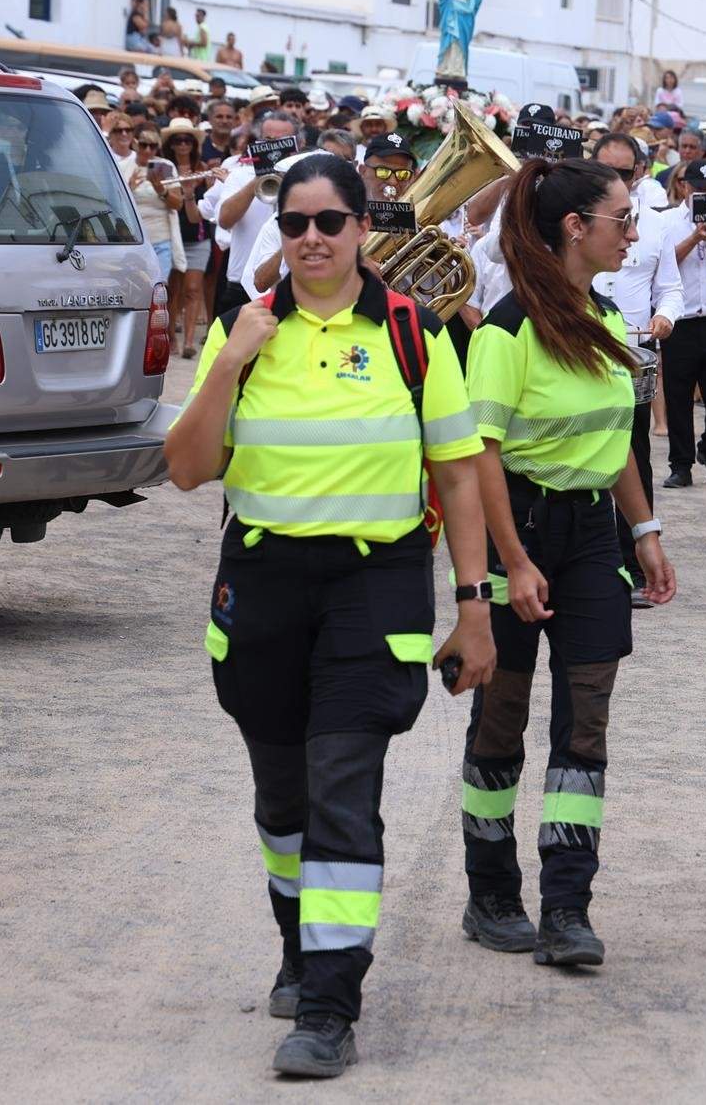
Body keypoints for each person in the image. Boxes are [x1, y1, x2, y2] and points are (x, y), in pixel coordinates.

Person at [164, 151, 494, 1079]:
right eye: (296, 223)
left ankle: (327, 1005)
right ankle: (298, 948)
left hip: (373, 585)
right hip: (263, 581)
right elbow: (187, 470)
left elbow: (458, 474)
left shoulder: (409, 332)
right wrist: (229, 359)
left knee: (344, 791)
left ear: (361, 230)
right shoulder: (243, 326)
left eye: (330, 222)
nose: (312, 238)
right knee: (284, 804)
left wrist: (474, 606)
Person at [458, 156, 678, 967]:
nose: (635, 233)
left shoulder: (609, 319)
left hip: (590, 540)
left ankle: (566, 907)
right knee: (502, 722)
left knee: (585, 725)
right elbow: (478, 453)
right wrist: (511, 562)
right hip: (515, 529)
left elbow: (613, 437)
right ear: (575, 228)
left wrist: (644, 529)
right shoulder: (510, 326)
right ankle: (489, 893)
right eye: (624, 219)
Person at [589, 135, 682, 610]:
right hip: (578, 348)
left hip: (631, 352)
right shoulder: (569, 216)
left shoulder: (658, 226)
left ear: (641, 172)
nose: (615, 180)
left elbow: (670, 289)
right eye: (605, 169)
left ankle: (631, 562)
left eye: (624, 173)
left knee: (633, 456)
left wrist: (665, 317)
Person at [649, 159, 706, 489]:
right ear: (685, 187)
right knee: (678, 395)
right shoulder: (668, 221)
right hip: (681, 320)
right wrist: (694, 237)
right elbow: (661, 263)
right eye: (698, 189)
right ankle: (681, 464)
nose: (704, 193)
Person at [212, 109, 299, 313]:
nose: (275, 146)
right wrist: (258, 179)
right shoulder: (240, 175)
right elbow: (224, 221)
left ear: (297, 145)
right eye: (269, 140)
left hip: (288, 287)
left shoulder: (306, 178)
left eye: (283, 140)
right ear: (260, 141)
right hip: (241, 284)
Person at [160, 120, 213, 357]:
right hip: (170, 236)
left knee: (193, 289)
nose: (182, 144)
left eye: (187, 140)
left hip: (197, 236)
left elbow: (205, 211)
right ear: (170, 144)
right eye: (177, 140)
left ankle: (189, 341)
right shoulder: (163, 169)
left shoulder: (203, 169)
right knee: (172, 292)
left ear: (194, 144)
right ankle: (171, 338)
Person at [125, 128, 180, 279]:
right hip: (132, 241)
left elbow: (178, 204)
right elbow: (113, 205)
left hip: (161, 239)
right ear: (135, 144)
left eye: (153, 146)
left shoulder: (166, 166)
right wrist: (128, 190)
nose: (148, 150)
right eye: (143, 145)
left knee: (159, 288)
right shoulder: (123, 165)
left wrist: (162, 190)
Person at [435, 0, 482, 83]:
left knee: (460, 44)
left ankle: (458, 70)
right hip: (452, 14)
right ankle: (445, 68)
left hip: (464, 16)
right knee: (450, 42)